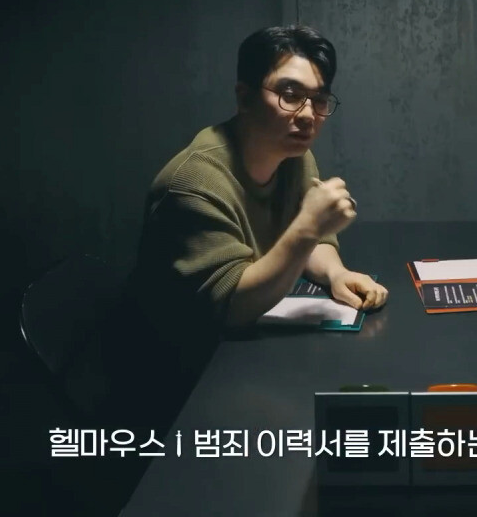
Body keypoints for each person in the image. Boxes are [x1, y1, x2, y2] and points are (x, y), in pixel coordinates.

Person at [121, 25, 388, 392]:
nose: (308, 115)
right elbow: (232, 307)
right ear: (244, 98)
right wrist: (308, 227)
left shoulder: (295, 157)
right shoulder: (193, 183)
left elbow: (312, 242)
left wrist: (335, 273)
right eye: (290, 95)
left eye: (319, 99)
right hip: (175, 376)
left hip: (237, 356)